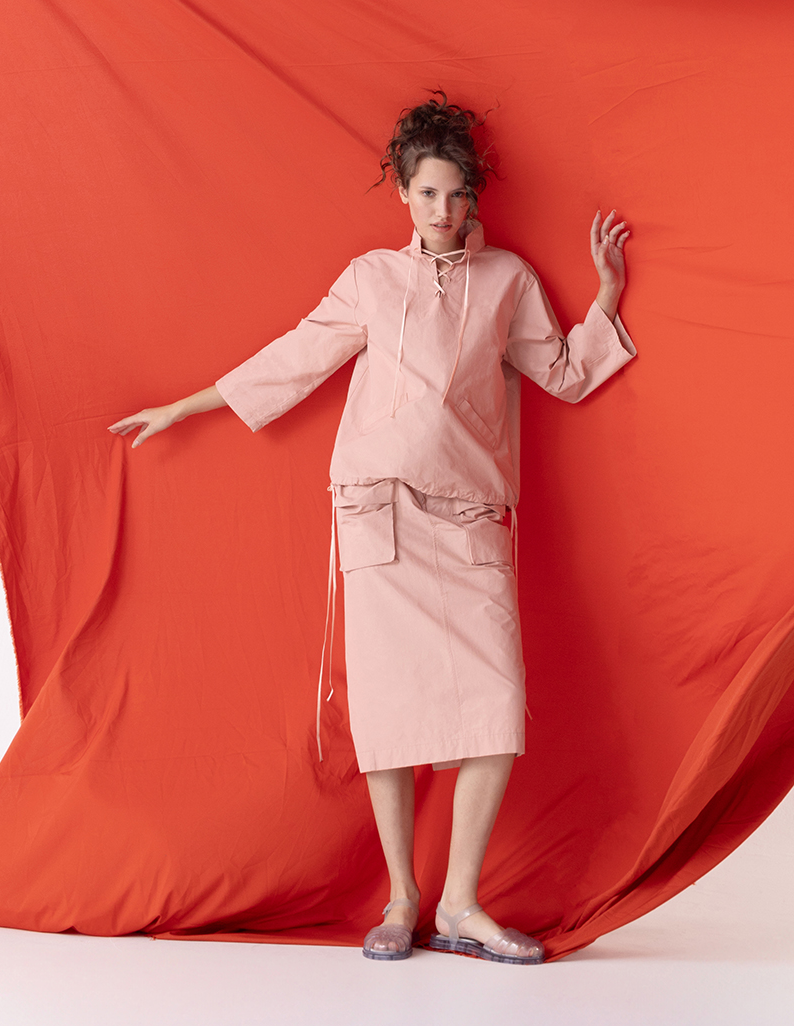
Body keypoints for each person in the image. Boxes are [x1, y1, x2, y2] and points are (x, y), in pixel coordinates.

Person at [108, 92, 634, 965]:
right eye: (427, 193)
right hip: (377, 510)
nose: (443, 210)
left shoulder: (508, 280)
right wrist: (184, 406)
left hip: (469, 517)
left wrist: (608, 294)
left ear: (474, 197)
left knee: (497, 706)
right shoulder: (371, 279)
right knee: (388, 712)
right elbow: (296, 356)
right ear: (403, 192)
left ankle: (461, 905)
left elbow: (567, 374)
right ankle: (401, 899)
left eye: (458, 194)